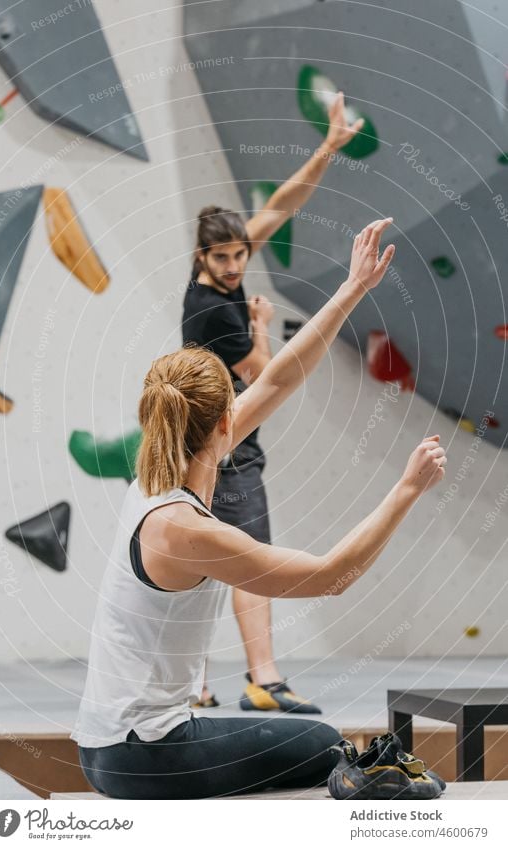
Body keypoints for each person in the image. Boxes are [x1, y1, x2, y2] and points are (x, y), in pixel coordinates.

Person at [72, 219, 447, 799]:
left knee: (306, 739)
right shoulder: (185, 529)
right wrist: (406, 490)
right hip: (142, 756)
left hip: (115, 746)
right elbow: (331, 577)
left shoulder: (151, 481)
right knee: (324, 742)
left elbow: (275, 381)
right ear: (225, 424)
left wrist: (353, 289)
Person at [182, 93, 365, 712]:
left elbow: (282, 205)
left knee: (208, 563)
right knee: (246, 563)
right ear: (201, 257)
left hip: (218, 441)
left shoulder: (212, 277)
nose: (236, 266)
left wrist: (328, 146)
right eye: (225, 257)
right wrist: (262, 325)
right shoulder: (212, 312)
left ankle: (204, 683)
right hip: (223, 446)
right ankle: (259, 679)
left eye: (241, 254)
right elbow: (268, 376)